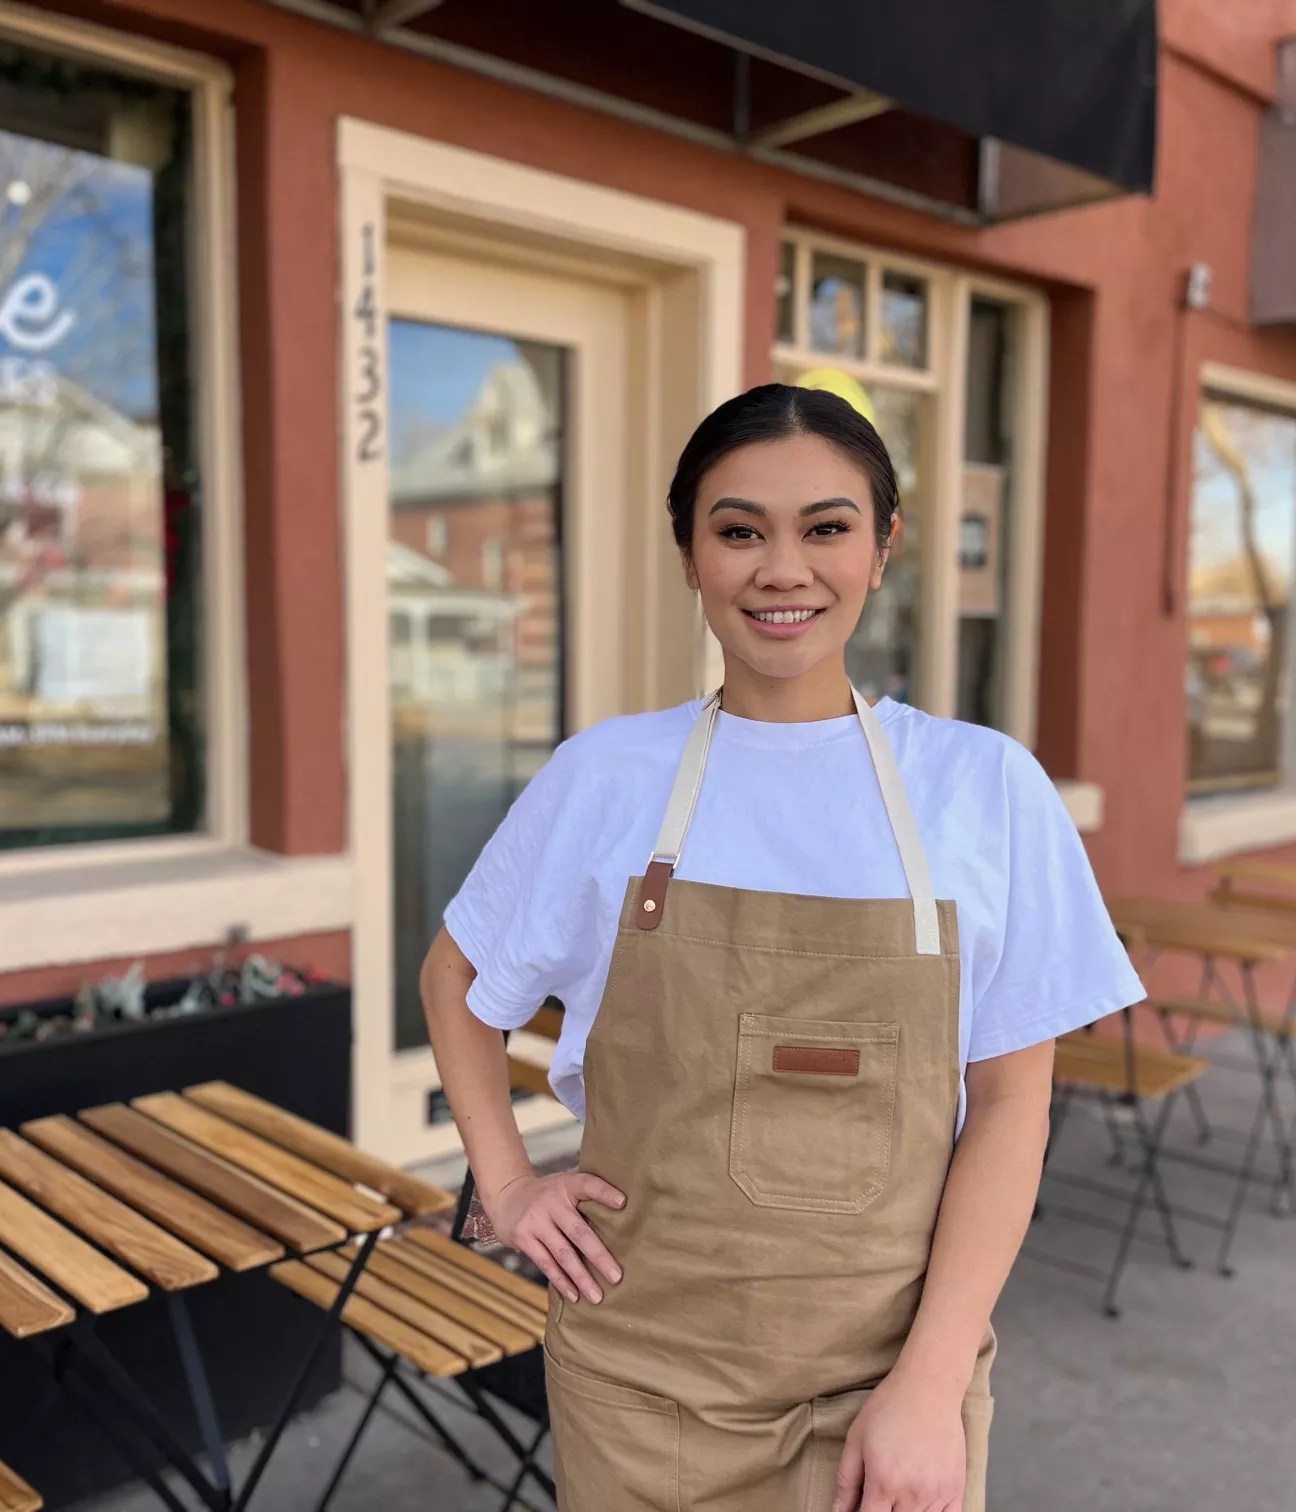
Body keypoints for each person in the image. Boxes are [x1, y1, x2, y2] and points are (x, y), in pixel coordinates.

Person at [421, 384, 1144, 1511]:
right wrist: (508, 1186)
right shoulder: (608, 776)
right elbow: (457, 979)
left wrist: (930, 1386)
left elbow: (1011, 1107)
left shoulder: (982, 786)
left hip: (887, 1401)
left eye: (826, 527)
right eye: (739, 529)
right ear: (691, 553)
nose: (782, 569)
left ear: (884, 545)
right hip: (638, 1391)